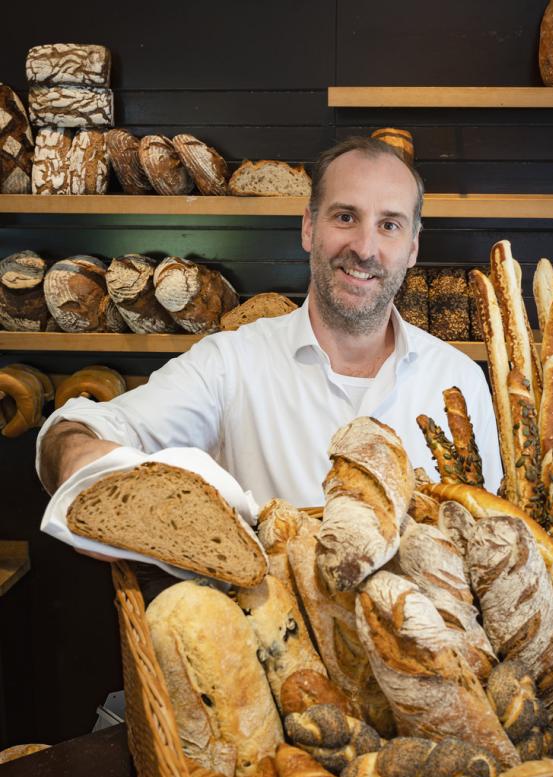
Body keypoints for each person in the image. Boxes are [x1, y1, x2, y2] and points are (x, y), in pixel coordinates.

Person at [37, 136, 502, 518]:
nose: (364, 247)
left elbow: (490, 525)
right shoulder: (230, 364)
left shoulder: (457, 379)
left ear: (413, 248)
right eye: (345, 217)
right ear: (308, 228)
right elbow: (88, 427)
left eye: (389, 225)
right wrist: (76, 455)